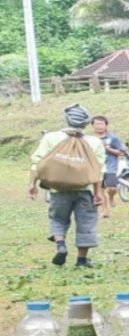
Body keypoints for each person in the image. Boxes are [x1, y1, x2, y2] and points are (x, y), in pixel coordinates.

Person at [28, 105, 106, 268]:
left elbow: (37, 163)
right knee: (86, 222)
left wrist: (32, 184)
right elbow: (98, 169)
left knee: (58, 218)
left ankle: (61, 245)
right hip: (85, 190)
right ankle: (82, 260)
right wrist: (98, 192)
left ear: (66, 119)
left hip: (58, 190)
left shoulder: (51, 137)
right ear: (86, 123)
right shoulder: (94, 142)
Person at [91, 115, 125, 218]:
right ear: (92, 126)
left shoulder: (113, 138)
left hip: (110, 166)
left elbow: (121, 152)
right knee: (100, 189)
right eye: (97, 124)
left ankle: (111, 197)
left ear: (106, 125)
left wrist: (108, 149)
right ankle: (105, 211)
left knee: (112, 188)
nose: (99, 126)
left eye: (101, 124)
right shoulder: (91, 139)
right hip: (97, 167)